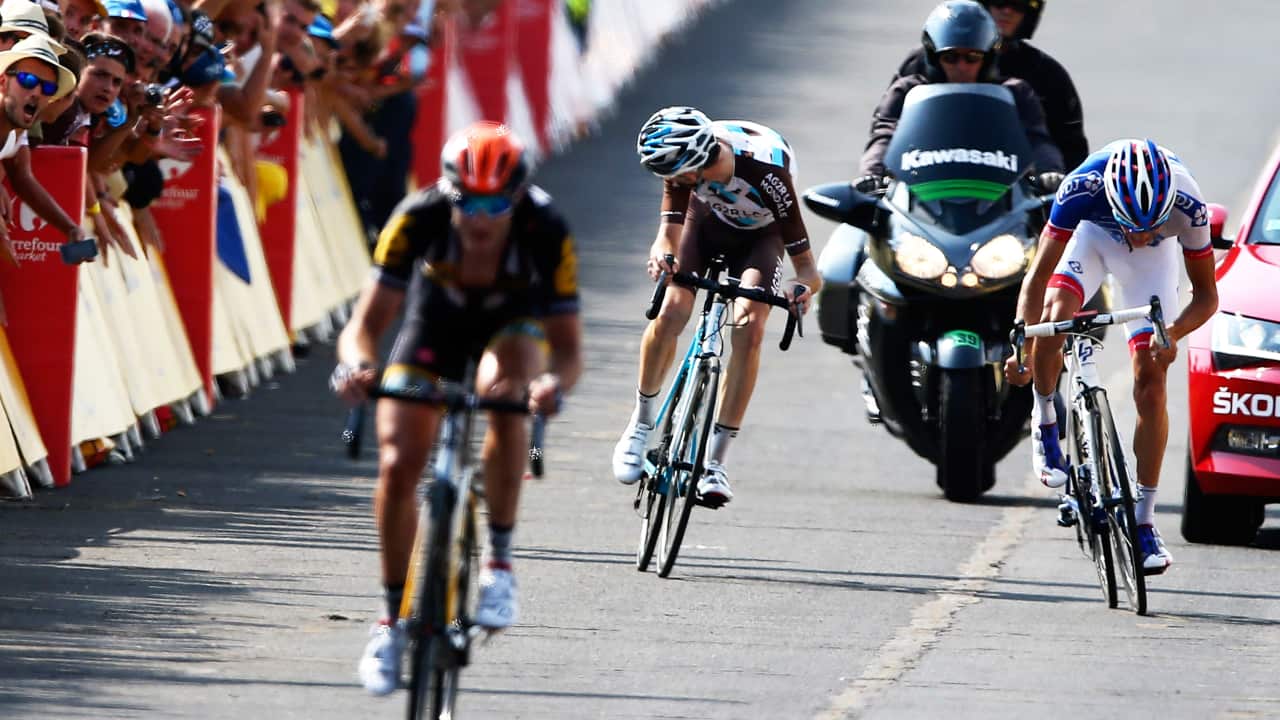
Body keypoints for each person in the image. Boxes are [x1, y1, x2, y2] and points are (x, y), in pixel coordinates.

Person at [331, 121, 582, 696]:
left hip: (509, 328)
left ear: (517, 196)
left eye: (495, 203)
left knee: (507, 390)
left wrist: (551, 387)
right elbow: (363, 328)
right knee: (398, 463)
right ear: (449, 192)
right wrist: (355, 368)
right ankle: (391, 623)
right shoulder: (417, 217)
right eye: (467, 200)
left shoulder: (546, 228)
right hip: (433, 325)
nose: (480, 217)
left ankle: (499, 563)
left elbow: (568, 351)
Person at [1006, 138, 1219, 575]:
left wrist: (1173, 334)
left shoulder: (1189, 205)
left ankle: (1143, 520)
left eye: (1151, 226)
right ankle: (1046, 417)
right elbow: (1037, 277)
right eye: (1133, 225)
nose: (1140, 236)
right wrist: (1024, 351)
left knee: (1152, 381)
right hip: (1095, 240)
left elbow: (1206, 297)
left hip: (1151, 269)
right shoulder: (1080, 189)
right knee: (1055, 313)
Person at [611, 106, 820, 504]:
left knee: (750, 326)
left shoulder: (768, 177)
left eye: (678, 175)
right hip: (704, 225)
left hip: (762, 237)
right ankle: (639, 425)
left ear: (702, 158)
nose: (672, 181)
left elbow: (810, 271)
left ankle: (715, 464)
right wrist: (662, 254)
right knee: (673, 308)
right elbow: (667, 235)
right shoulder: (679, 163)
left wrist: (800, 288)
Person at [857, 0, 1063, 187]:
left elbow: (1038, 140)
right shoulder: (905, 91)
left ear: (988, 59)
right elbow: (884, 134)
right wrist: (872, 175)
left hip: (1002, 198)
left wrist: (1050, 172)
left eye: (972, 57)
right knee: (853, 228)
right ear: (934, 57)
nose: (961, 66)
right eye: (950, 57)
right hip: (918, 196)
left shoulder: (1017, 93)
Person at [892, 0, 1088, 169]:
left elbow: (1068, 149)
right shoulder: (917, 66)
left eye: (1018, 4)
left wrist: (1053, 181)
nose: (1007, 11)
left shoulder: (1047, 75)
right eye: (998, 1)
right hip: (925, 186)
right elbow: (887, 130)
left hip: (1015, 196)